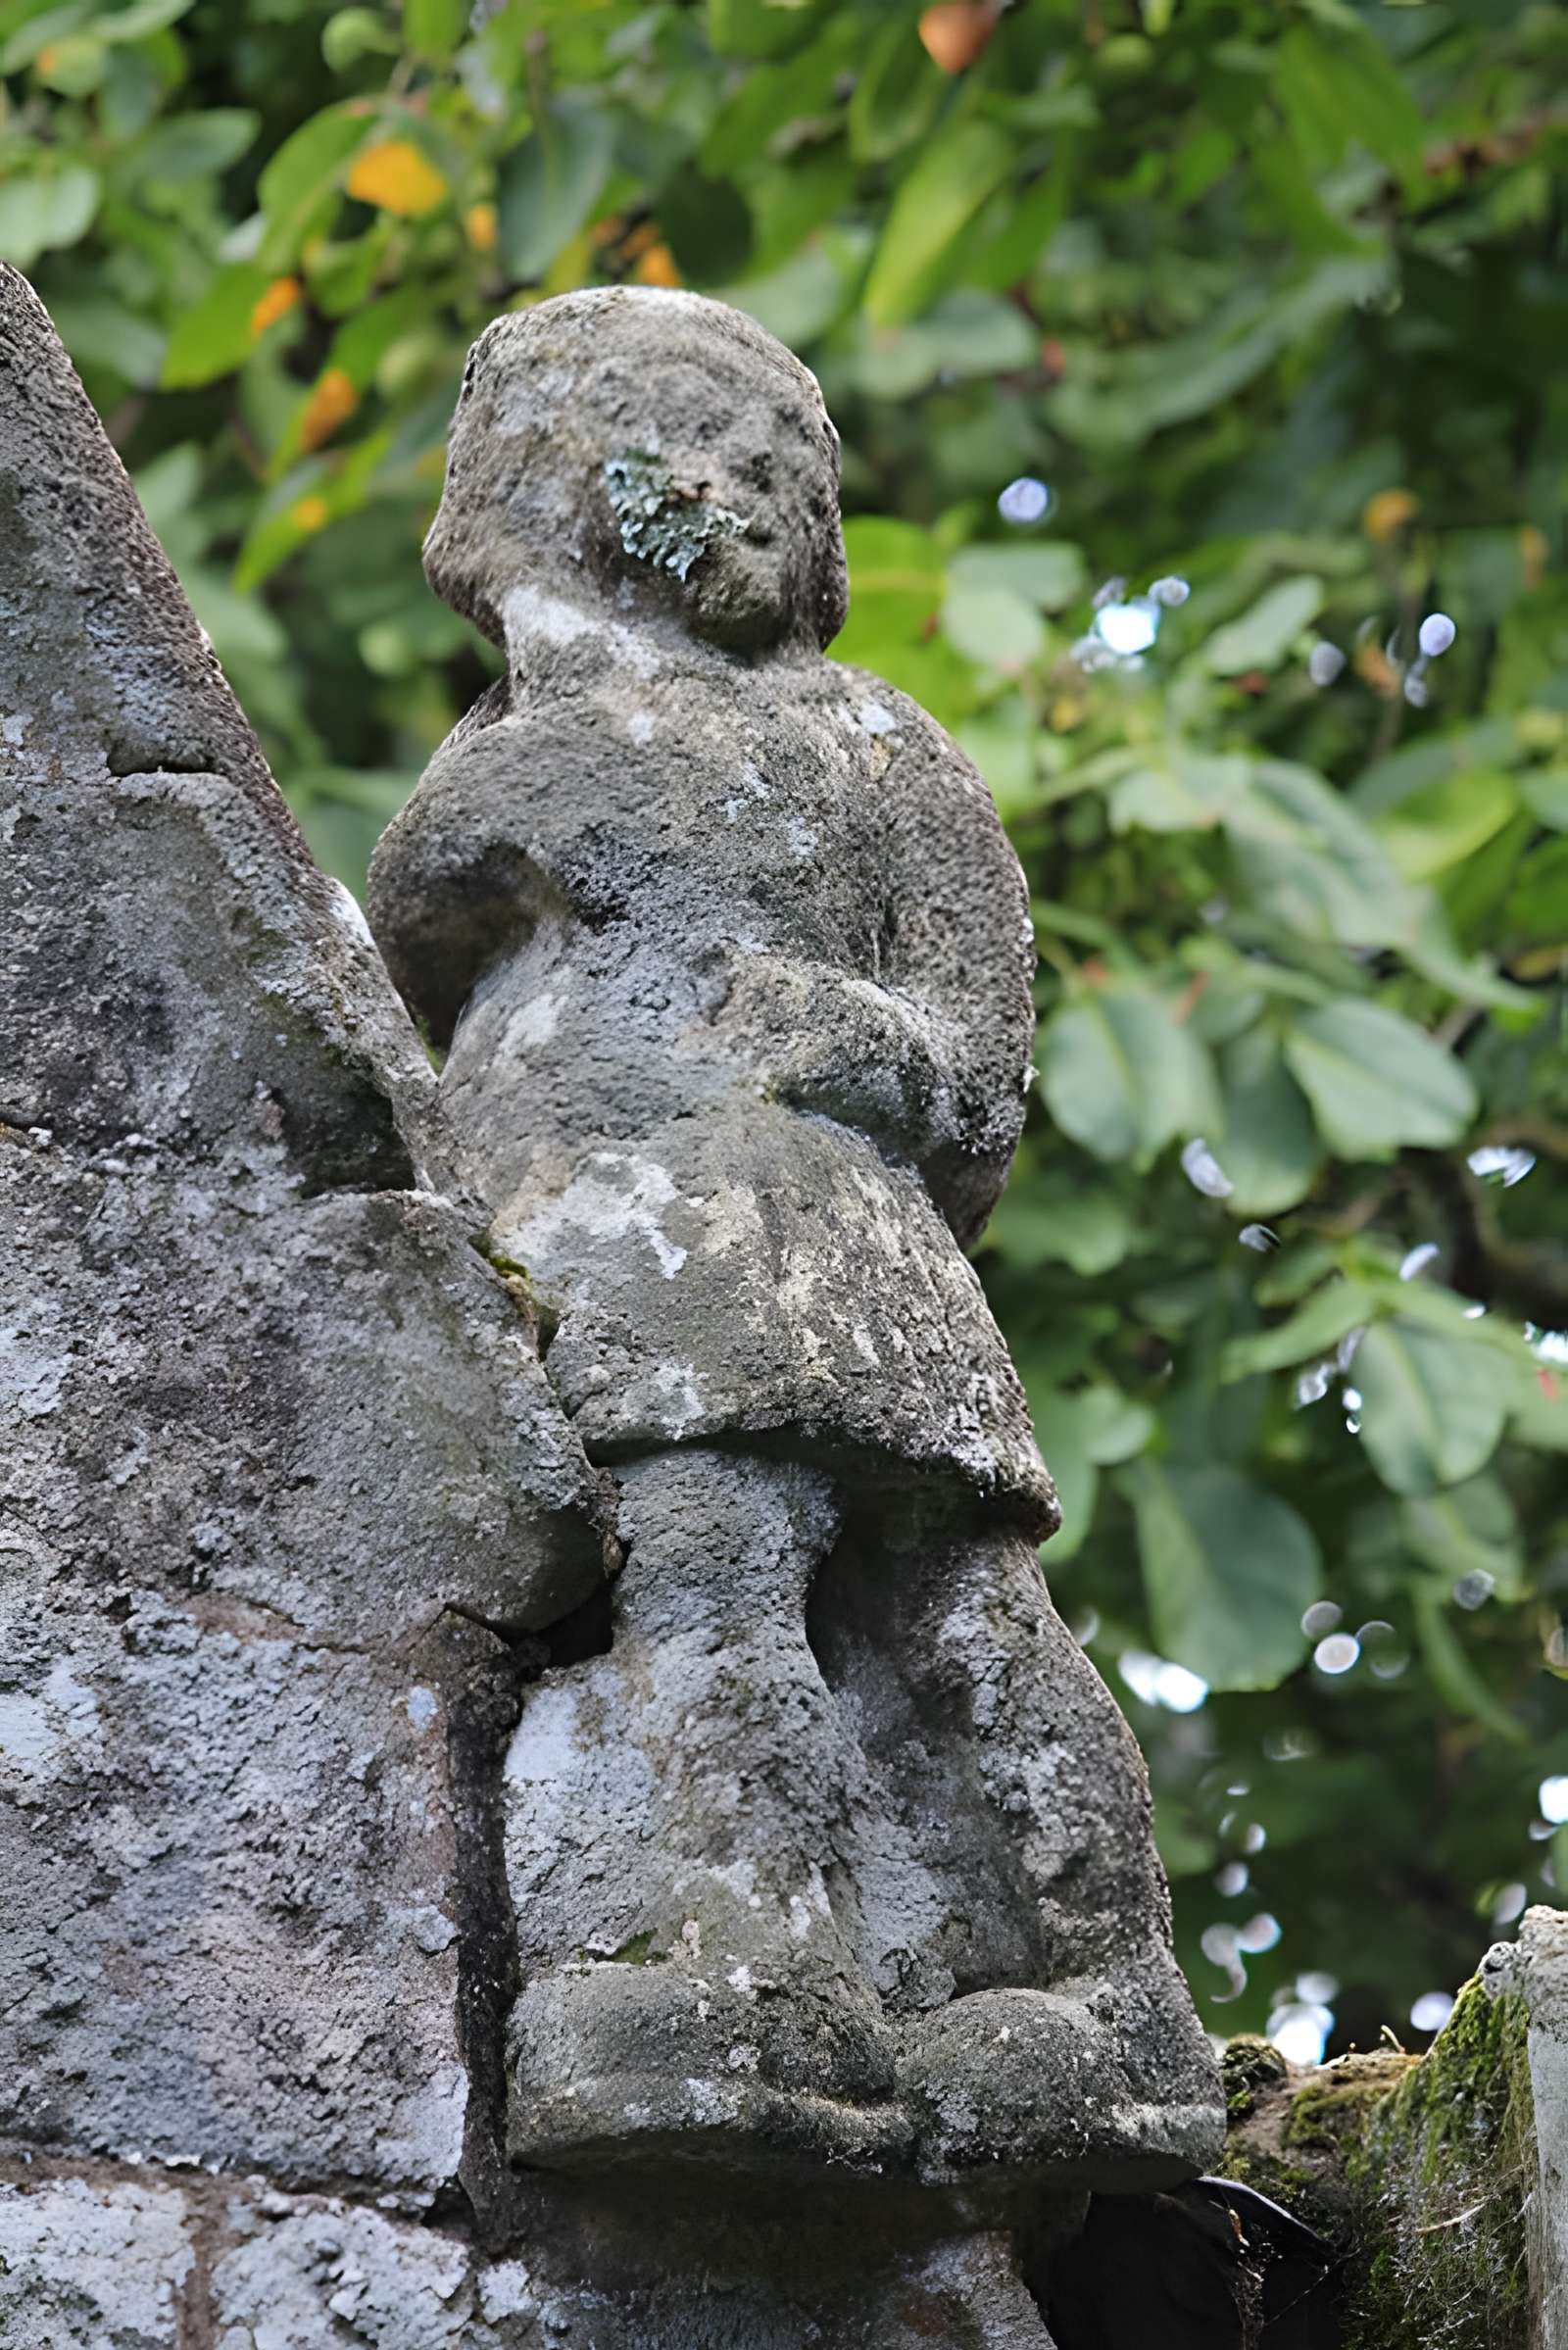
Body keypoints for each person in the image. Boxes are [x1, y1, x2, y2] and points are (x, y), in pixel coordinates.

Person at [368, 286, 1221, 2195]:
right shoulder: (508, 752)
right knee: (698, 1560)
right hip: (600, 1248)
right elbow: (420, 937)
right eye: (687, 444)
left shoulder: (869, 745)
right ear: (548, 482)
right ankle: (773, 1973)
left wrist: (863, 1048)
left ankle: (1108, 1989)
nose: (740, 491)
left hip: (807, 1238)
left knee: (953, 1605)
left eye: (779, 467)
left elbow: (979, 1070)